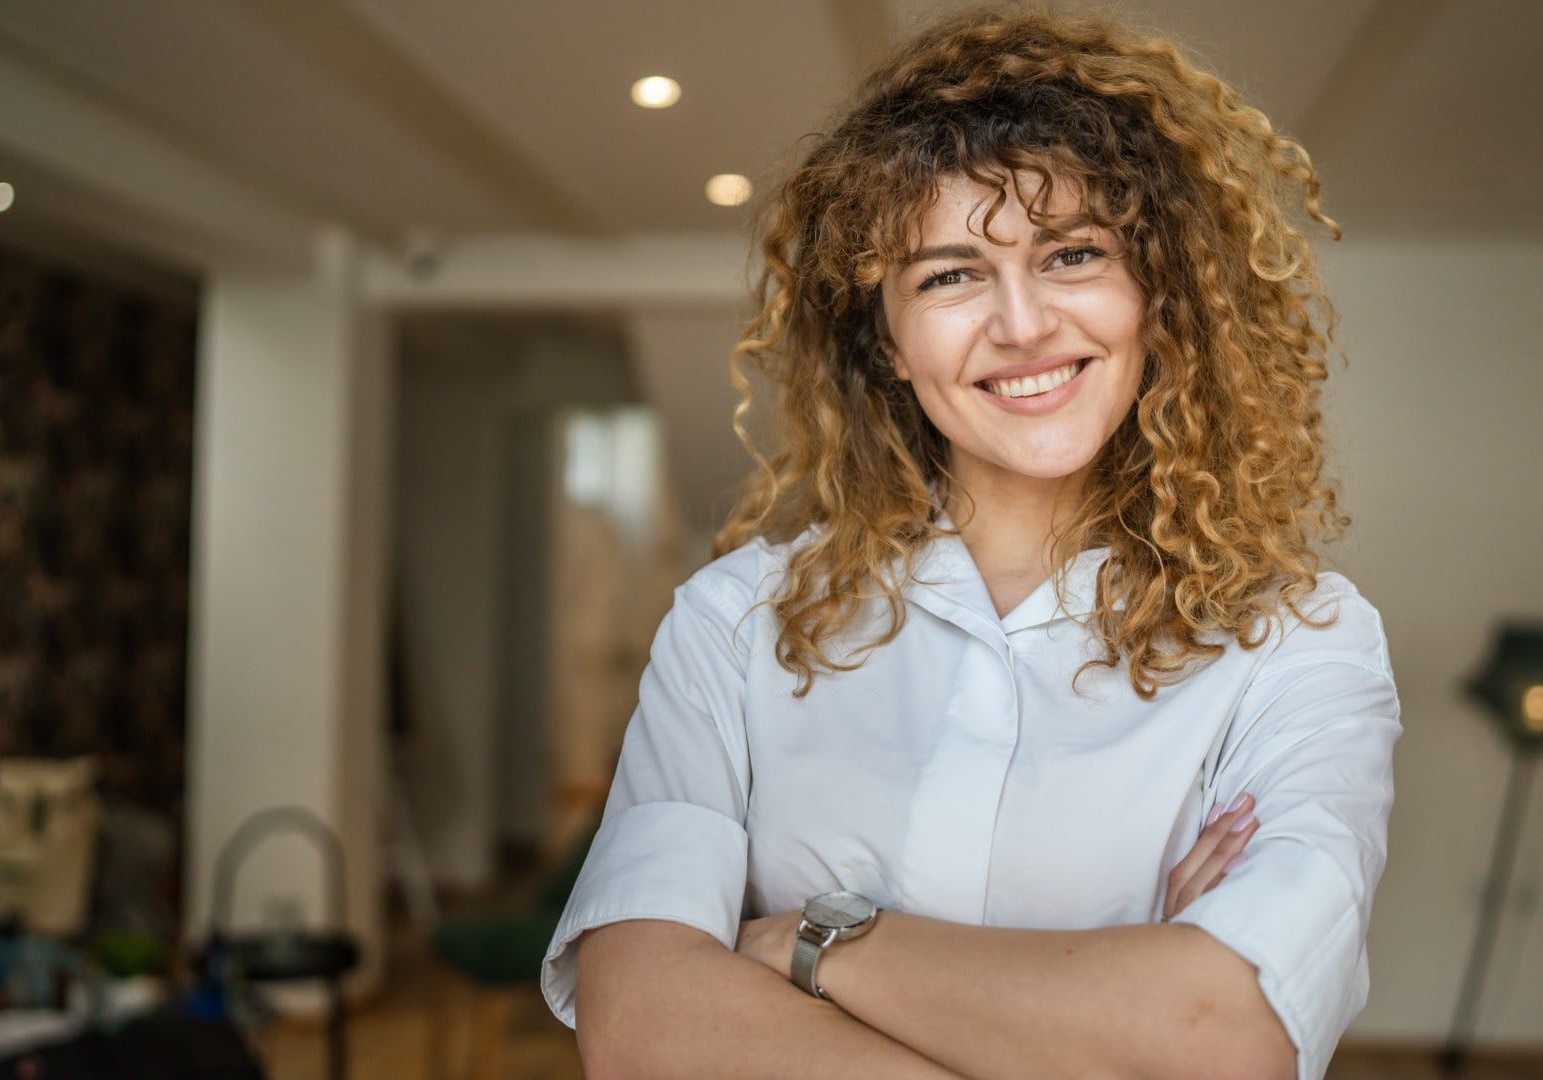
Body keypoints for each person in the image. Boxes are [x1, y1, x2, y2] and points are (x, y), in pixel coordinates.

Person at [539, 7, 1401, 1080]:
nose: (1024, 323)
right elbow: (641, 1026)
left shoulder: (1300, 644)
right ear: (888, 343)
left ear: (1156, 296)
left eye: (1073, 254)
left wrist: (808, 943)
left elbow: (1220, 1036)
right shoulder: (733, 626)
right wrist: (1103, 1019)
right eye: (949, 274)